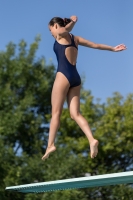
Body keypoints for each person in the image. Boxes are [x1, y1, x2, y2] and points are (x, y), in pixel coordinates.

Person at [42, 15, 126, 160]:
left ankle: (50, 145)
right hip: (75, 77)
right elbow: (95, 45)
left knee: (56, 113)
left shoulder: (60, 35)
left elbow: (65, 30)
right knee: (75, 114)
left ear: (56, 26)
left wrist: (73, 22)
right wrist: (112, 48)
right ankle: (91, 139)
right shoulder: (76, 39)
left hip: (63, 75)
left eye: (50, 30)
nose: (51, 33)